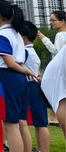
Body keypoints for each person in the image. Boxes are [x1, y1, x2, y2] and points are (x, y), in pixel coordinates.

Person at [0, 0, 35, 152]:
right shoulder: (16, 33)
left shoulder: (2, 35)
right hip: (19, 79)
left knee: (11, 125)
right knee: (21, 123)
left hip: (6, 78)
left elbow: (9, 62)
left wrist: (26, 71)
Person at [20, 22, 50, 152]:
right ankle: (39, 149)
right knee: (39, 122)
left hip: (31, 87)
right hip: (35, 86)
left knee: (40, 122)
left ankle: (43, 149)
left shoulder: (25, 52)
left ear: (23, 37)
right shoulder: (31, 51)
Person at [38, 9, 66, 126]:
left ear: (62, 21)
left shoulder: (60, 35)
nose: (51, 23)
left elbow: (56, 51)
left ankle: (53, 118)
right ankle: (52, 117)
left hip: (59, 70)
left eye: (53, 20)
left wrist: (44, 38)